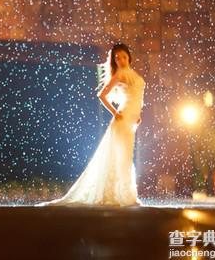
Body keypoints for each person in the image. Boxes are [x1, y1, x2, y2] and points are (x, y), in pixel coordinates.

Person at [36, 43, 146, 207]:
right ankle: (119, 195)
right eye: (117, 58)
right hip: (122, 121)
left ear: (129, 56)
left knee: (125, 157)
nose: (121, 60)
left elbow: (137, 96)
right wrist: (115, 113)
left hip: (131, 120)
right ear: (114, 61)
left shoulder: (133, 74)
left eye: (123, 56)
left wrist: (139, 115)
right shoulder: (120, 75)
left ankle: (125, 194)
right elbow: (102, 95)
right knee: (121, 157)